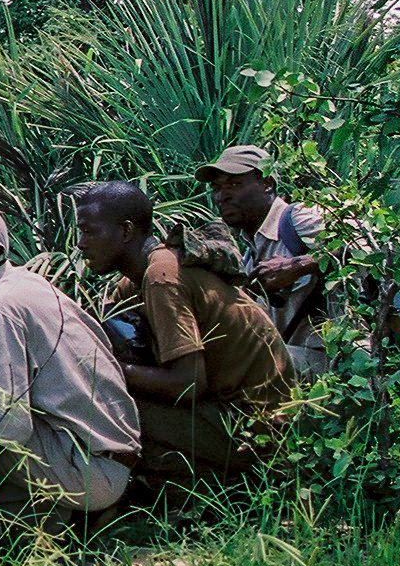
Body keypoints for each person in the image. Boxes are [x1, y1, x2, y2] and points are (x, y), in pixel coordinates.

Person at [0, 202, 141, 534]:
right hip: (103, 459)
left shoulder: (1, 309)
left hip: (89, 469)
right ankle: (44, 518)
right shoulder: (25, 285)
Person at [73, 181, 292, 483]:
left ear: (125, 232)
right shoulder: (137, 280)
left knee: (103, 406)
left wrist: (107, 371)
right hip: (231, 414)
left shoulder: (162, 276)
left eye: (89, 231)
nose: (81, 244)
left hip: (256, 430)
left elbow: (188, 384)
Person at [197, 143, 330, 375]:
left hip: (339, 362)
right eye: (217, 188)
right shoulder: (250, 254)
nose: (222, 196)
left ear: (267, 184)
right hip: (299, 363)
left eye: (234, 184)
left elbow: (372, 248)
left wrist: (297, 266)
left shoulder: (298, 219)